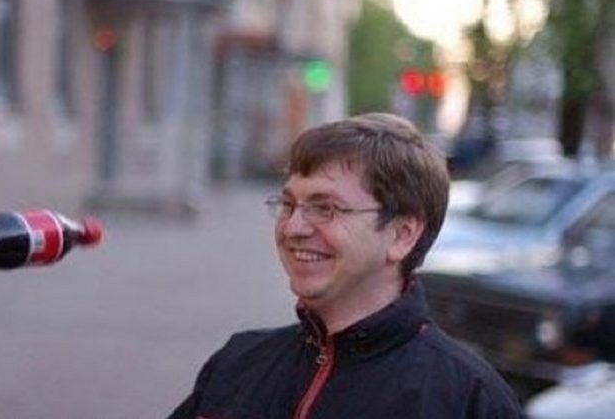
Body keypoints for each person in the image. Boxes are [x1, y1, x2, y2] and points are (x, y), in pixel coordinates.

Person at [169, 113, 522, 418]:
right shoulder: (238, 364)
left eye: (325, 208)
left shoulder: (469, 401)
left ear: (402, 234)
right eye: (288, 204)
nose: (293, 228)